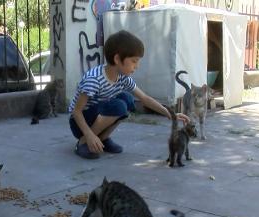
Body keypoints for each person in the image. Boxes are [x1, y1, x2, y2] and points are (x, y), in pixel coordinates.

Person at [68, 30, 189, 159]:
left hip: (96, 117)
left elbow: (145, 98)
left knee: (127, 100)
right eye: (134, 61)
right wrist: (88, 135)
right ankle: (82, 143)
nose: (137, 66)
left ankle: (102, 138)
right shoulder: (94, 79)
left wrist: (170, 114)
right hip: (79, 124)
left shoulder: (123, 78)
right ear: (117, 59)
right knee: (119, 106)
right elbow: (76, 112)